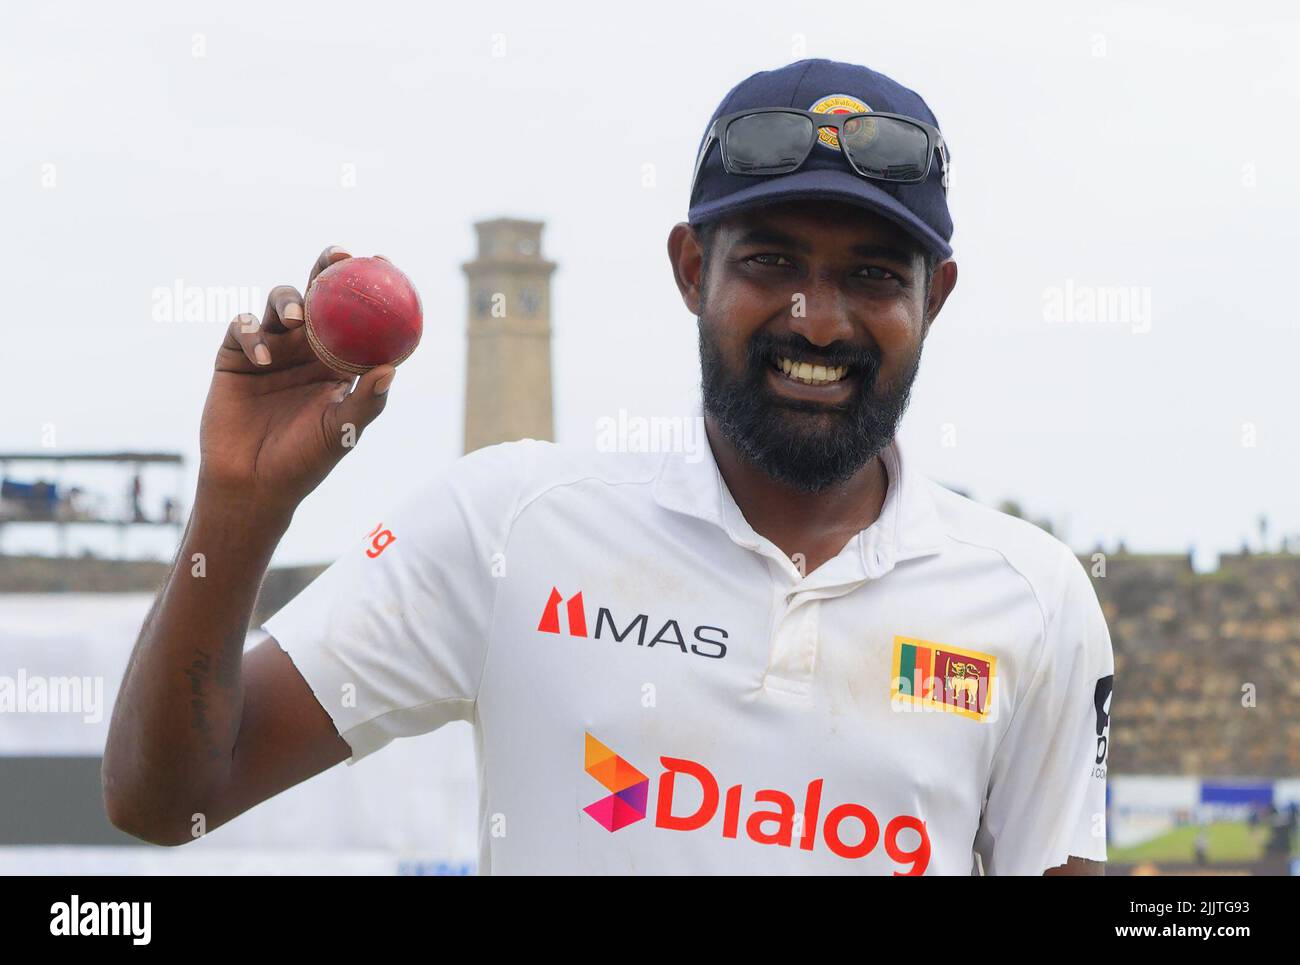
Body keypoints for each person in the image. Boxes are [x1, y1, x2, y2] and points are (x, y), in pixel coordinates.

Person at [104, 58, 1114, 875]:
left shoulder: (1030, 599)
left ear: (932, 297)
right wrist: (238, 503)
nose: (817, 316)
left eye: (871, 275)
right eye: (768, 261)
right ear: (690, 269)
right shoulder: (511, 524)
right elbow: (170, 798)